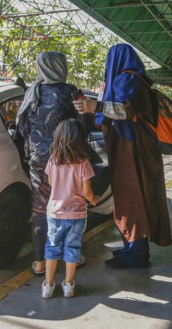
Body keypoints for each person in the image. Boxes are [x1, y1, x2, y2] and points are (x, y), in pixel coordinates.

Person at [73, 43, 172, 269]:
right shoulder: (138, 80)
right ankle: (134, 248)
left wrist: (95, 106)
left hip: (132, 150)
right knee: (136, 197)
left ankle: (136, 254)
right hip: (138, 149)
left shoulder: (127, 79)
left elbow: (125, 110)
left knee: (132, 198)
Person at [17, 52, 80, 277]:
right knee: (70, 206)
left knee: (40, 208)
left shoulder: (31, 92)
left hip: (38, 160)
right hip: (66, 160)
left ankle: (39, 263)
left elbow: (22, 127)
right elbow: (84, 123)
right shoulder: (70, 91)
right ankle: (70, 255)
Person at [41, 119, 100, 299]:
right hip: (76, 214)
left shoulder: (53, 160)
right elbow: (87, 192)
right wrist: (95, 200)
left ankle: (49, 286)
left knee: (52, 247)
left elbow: (51, 183)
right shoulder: (84, 164)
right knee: (72, 248)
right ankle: (68, 285)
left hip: (55, 213)